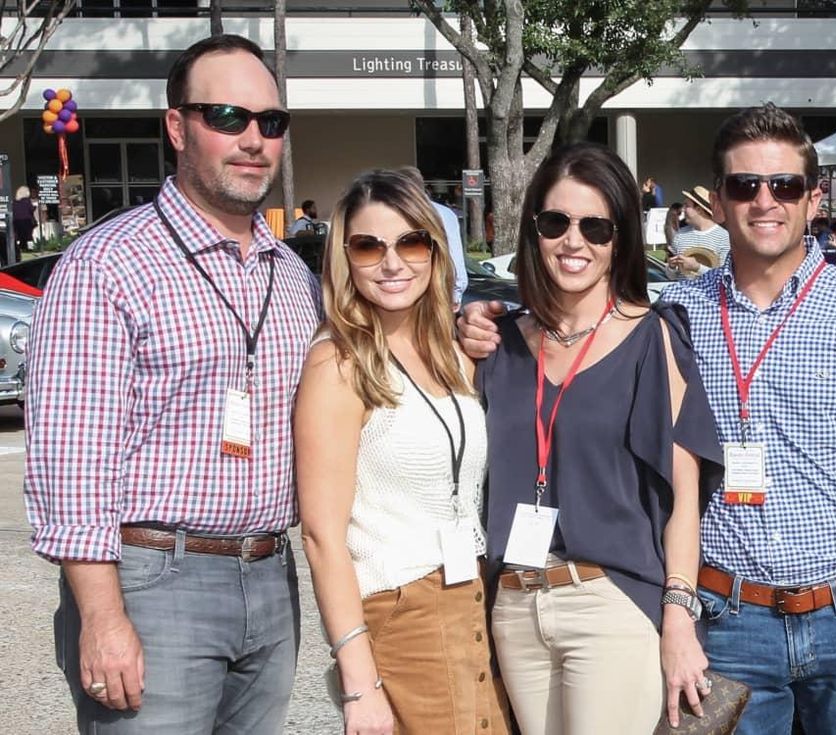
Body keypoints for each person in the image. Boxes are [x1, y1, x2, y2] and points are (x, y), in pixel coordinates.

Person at [459, 103, 836, 735]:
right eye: (744, 185)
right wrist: (481, 319)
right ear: (718, 199)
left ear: (813, 198)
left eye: (784, 185)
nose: (764, 201)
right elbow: (580, 313)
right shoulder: (674, 315)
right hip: (724, 620)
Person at [24, 34, 321, 733]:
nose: (253, 139)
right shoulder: (107, 264)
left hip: (271, 576)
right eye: (227, 116)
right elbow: (71, 459)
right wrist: (102, 617)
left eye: (270, 121)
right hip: (154, 581)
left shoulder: (293, 277)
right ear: (177, 127)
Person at [477, 143, 723, 733]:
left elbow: (682, 497)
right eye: (555, 222)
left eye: (595, 227)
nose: (574, 241)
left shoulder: (652, 339)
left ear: (620, 239)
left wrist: (679, 615)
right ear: (534, 229)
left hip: (608, 603)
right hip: (514, 605)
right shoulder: (496, 344)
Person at [294, 169, 509, 734]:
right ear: (345, 258)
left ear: (435, 251)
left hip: (474, 598)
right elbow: (320, 536)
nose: (392, 263)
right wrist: (359, 684)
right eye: (369, 246)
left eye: (410, 242)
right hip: (402, 610)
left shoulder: (451, 351)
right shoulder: (338, 363)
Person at [400, 167, 468, 309]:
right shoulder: (445, 213)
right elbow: (454, 254)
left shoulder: (397, 213)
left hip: (412, 290)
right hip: (438, 291)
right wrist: (456, 293)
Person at [668, 185, 731, 277]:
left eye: (687, 206)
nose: (683, 209)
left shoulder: (723, 237)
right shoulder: (680, 235)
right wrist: (671, 267)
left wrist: (697, 267)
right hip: (683, 287)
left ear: (698, 210)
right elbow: (672, 276)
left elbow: (724, 276)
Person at [12, 185, 35, 261]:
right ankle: (29, 248)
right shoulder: (27, 201)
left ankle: (20, 248)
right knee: (28, 235)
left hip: (16, 221)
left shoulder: (14, 201)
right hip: (26, 220)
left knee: (19, 235)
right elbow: (31, 209)